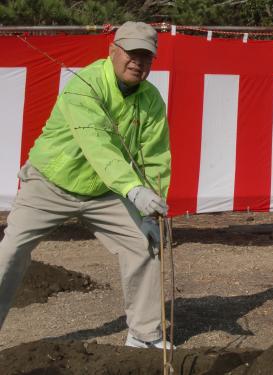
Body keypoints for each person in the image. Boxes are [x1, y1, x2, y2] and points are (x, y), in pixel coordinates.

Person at [0, 21, 172, 349]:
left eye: (145, 56)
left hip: (105, 192)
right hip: (50, 182)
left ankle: (144, 335)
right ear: (112, 52)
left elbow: (155, 157)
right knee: (10, 251)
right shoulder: (86, 85)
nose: (137, 61)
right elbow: (97, 144)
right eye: (131, 53)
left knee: (144, 244)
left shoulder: (151, 100)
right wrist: (134, 191)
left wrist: (151, 208)